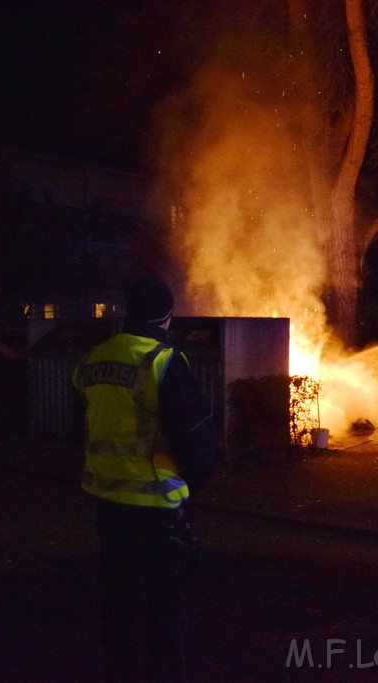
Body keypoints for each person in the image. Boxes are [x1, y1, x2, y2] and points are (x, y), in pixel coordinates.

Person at [72, 274, 218, 681]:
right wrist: (195, 483)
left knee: (117, 604)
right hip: (156, 510)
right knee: (164, 610)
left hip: (107, 504)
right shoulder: (163, 361)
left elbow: (81, 420)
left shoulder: (95, 357)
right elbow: (196, 439)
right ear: (168, 318)